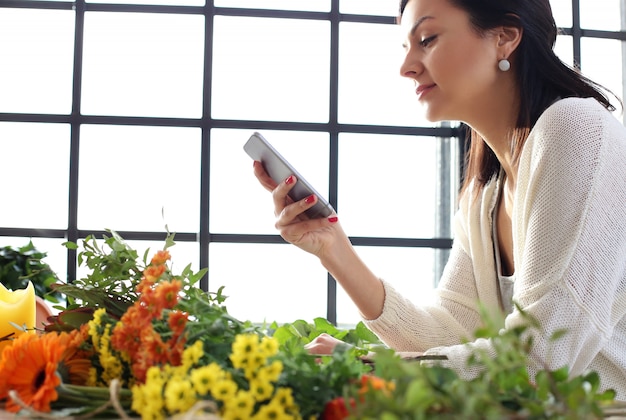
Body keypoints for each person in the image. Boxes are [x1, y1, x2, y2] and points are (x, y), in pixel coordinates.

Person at [252, 0, 626, 399]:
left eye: (427, 39)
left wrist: (378, 370)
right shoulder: (484, 194)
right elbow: (451, 331)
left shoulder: (577, 130)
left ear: (505, 37)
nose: (406, 66)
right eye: (405, 48)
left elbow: (543, 355)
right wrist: (334, 249)